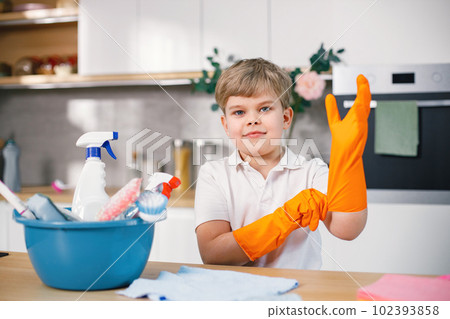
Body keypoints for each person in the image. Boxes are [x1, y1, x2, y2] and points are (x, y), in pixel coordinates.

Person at [194, 58, 371, 269]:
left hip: (301, 294)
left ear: (286, 118)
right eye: (239, 112)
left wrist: (349, 156)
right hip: (239, 295)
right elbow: (212, 253)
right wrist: (286, 218)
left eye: (265, 108)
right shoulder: (214, 174)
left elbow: (347, 230)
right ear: (226, 124)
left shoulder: (312, 172)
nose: (252, 119)